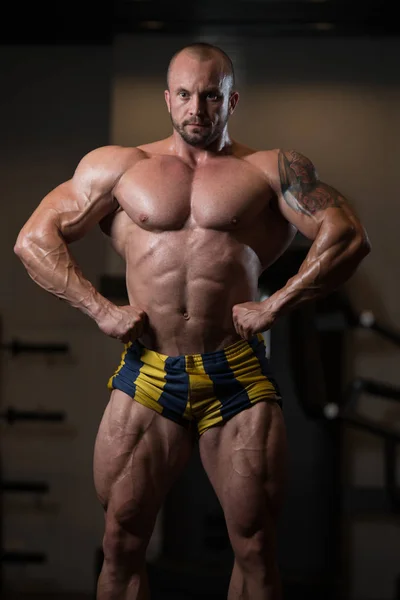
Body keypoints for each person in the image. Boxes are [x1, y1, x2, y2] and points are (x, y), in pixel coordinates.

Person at [14, 42, 370, 600]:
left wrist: (275, 305)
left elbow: (347, 236)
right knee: (121, 542)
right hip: (150, 374)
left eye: (210, 96)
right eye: (184, 95)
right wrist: (99, 309)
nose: (196, 110)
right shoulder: (118, 166)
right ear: (167, 97)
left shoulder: (270, 169)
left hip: (237, 377)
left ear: (233, 100)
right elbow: (34, 240)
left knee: (254, 545)